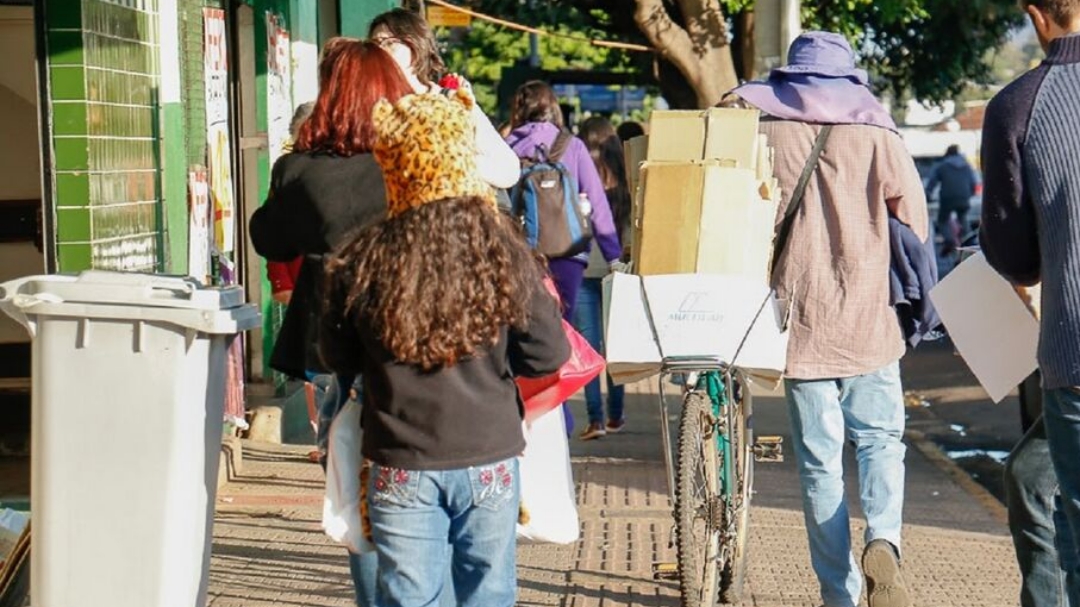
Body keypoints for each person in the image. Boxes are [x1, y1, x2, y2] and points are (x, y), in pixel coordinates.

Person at [319, 90, 570, 607]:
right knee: (489, 593)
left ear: (392, 162)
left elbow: (336, 358)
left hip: (399, 458)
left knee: (408, 597)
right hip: (491, 459)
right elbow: (548, 354)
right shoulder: (502, 250)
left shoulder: (365, 256)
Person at [727, 31, 927, 607]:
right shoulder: (875, 126)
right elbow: (910, 219)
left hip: (799, 315)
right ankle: (884, 539)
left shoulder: (762, 123)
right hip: (869, 314)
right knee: (882, 440)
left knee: (819, 465)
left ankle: (836, 595)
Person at [247, 39, 414, 607]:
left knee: (354, 487)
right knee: (415, 474)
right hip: (413, 337)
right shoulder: (410, 159)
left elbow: (270, 237)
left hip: (333, 344)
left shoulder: (301, 169)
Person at [980, 1, 1080, 603]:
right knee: (1030, 479)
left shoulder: (1017, 105)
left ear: (1035, 15)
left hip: (1073, 350)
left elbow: (1015, 256)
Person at [504, 81, 624, 435]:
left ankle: (536, 411)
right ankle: (562, 412)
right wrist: (613, 253)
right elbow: (598, 203)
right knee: (564, 331)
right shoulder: (571, 146)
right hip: (571, 255)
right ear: (553, 107)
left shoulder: (508, 147)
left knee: (527, 331)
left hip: (526, 257)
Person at [368, 8, 519, 191]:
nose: (380, 51)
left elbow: (508, 169)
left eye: (389, 42)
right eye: (375, 44)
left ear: (416, 46)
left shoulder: (450, 100)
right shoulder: (375, 108)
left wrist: (449, 157)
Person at [574, 116, 631, 440]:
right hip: (616, 270)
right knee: (615, 348)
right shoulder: (625, 179)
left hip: (582, 268)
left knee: (589, 349)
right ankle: (616, 415)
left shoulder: (579, 175)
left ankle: (595, 420)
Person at [925, 144, 978, 251]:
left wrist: (928, 194)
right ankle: (968, 241)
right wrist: (970, 194)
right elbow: (973, 182)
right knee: (963, 218)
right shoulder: (967, 166)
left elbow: (932, 182)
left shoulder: (943, 166)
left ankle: (949, 240)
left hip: (947, 198)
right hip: (964, 197)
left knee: (942, 220)